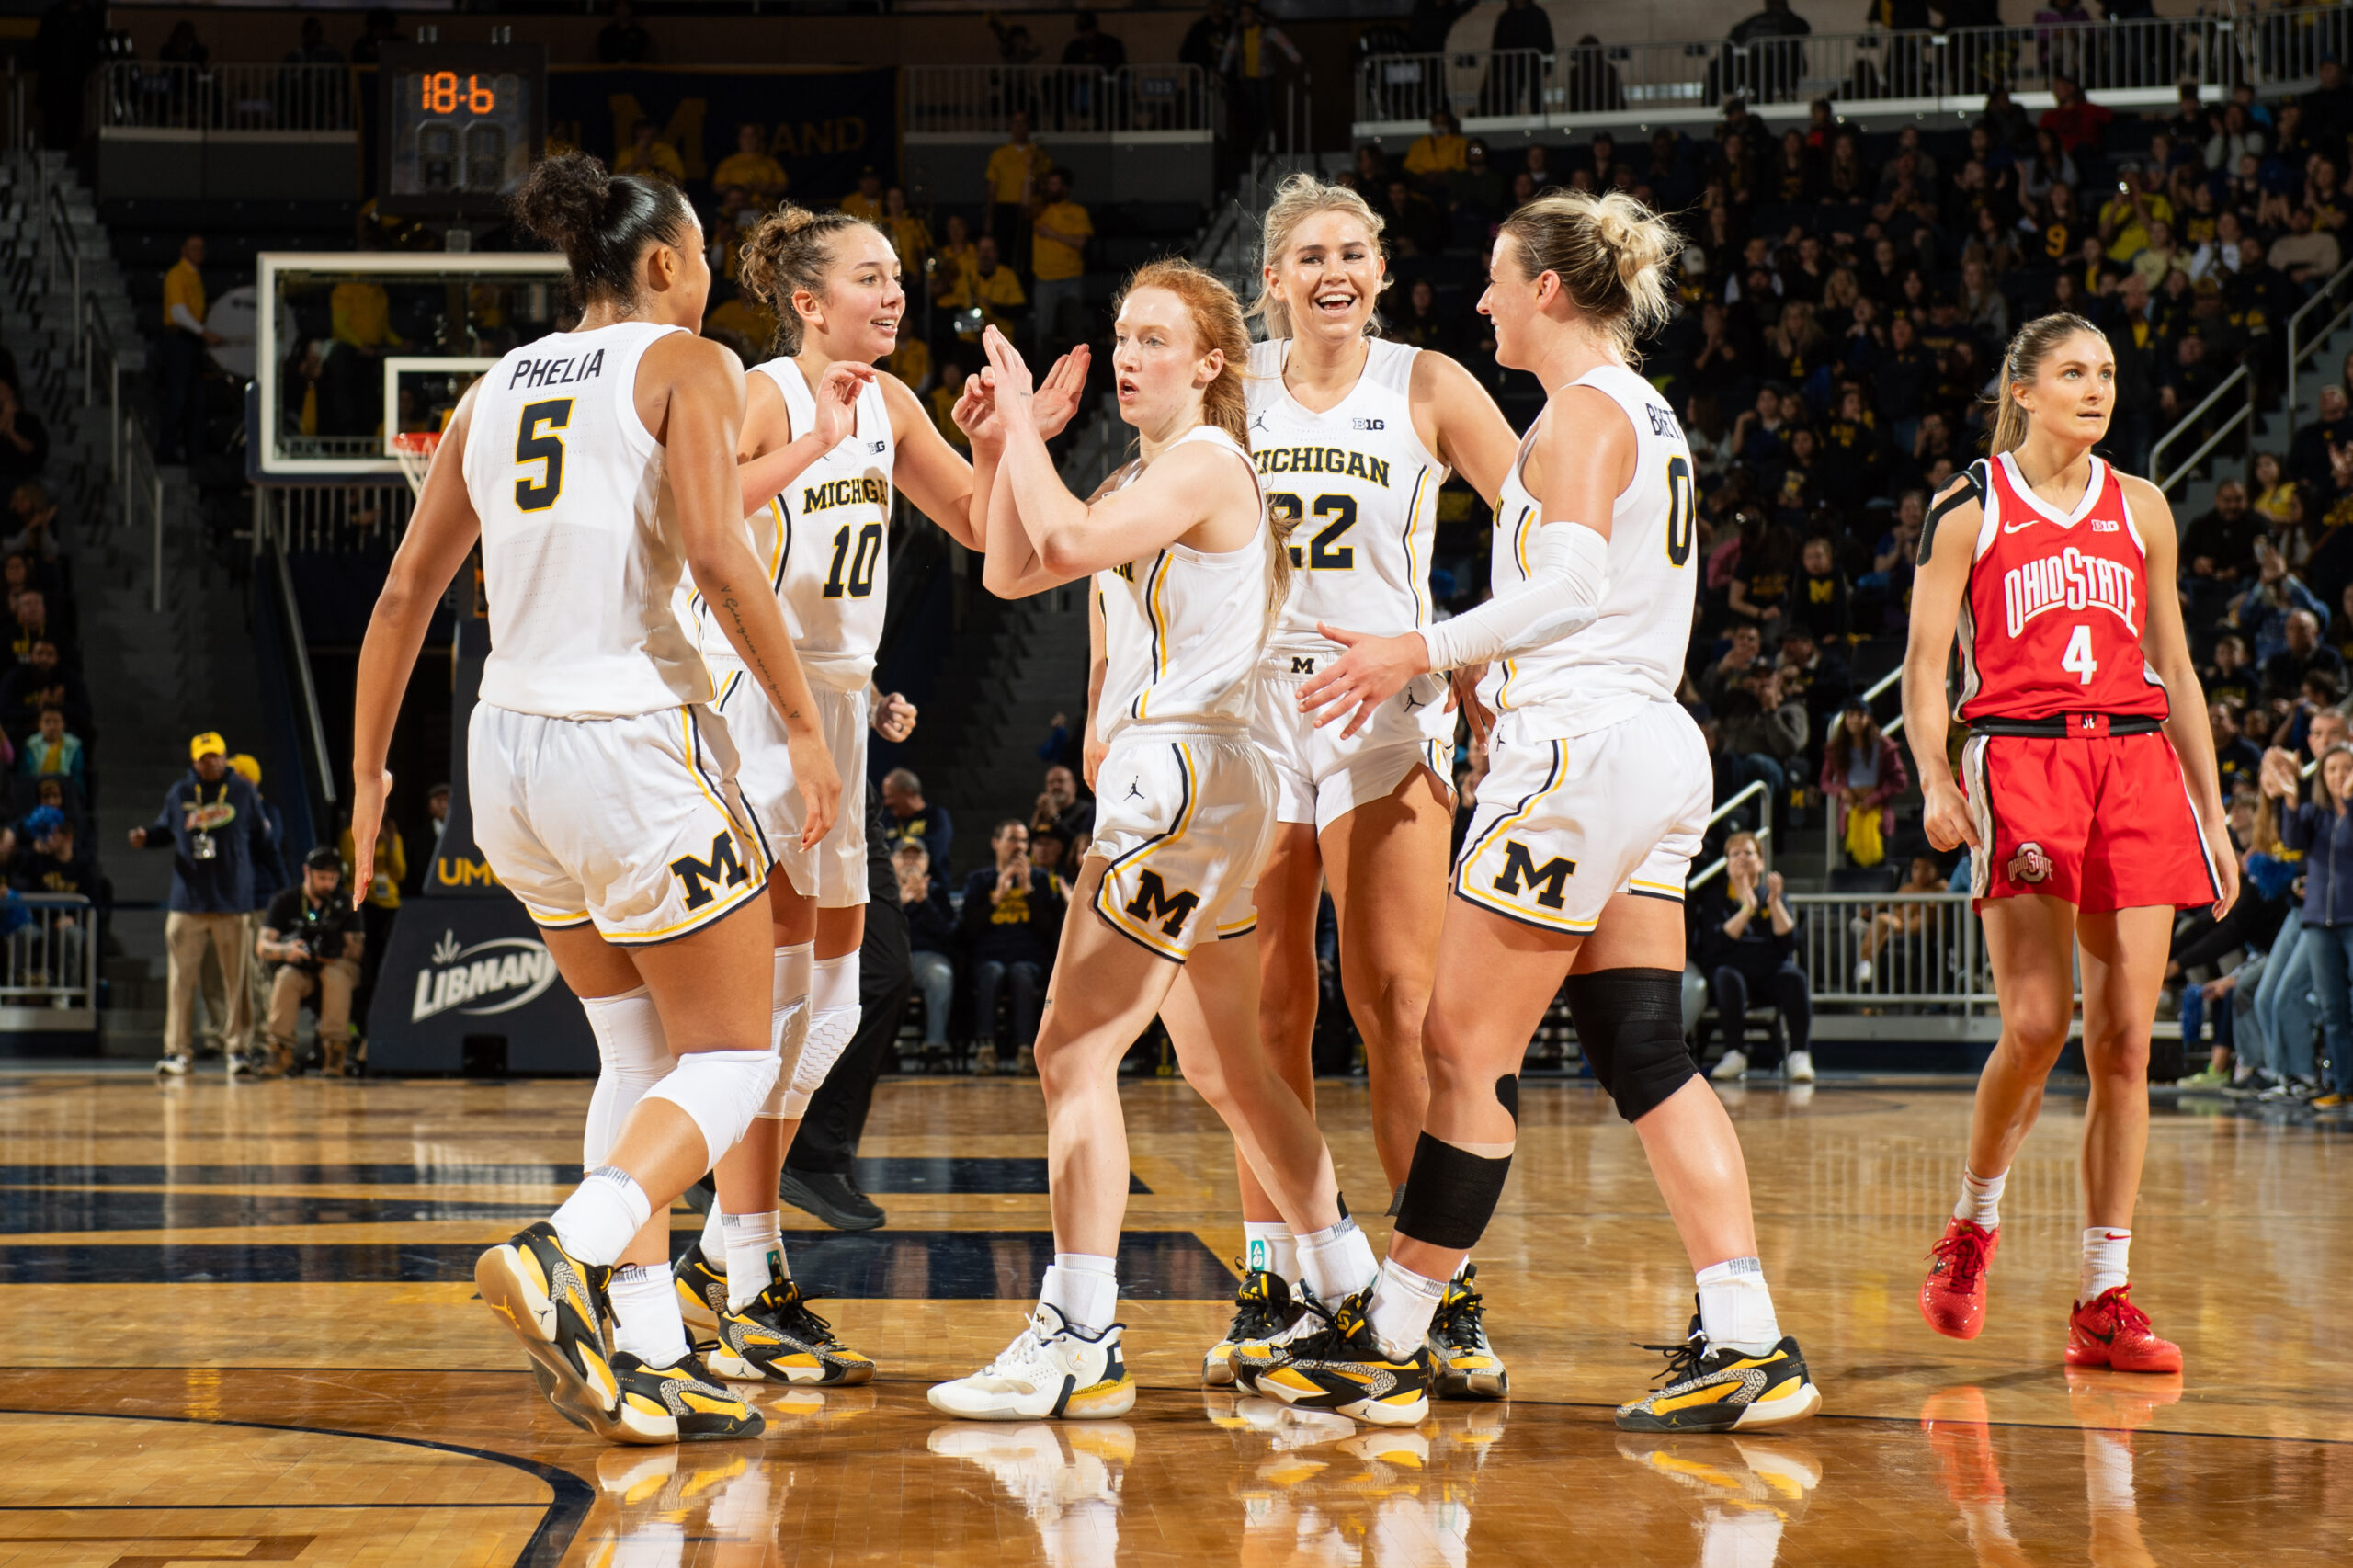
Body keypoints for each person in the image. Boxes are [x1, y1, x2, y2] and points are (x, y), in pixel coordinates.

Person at [1292, 189, 1821, 1433]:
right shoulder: (1647, 411)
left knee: (1459, 1051)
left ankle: (1399, 1334)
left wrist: (1417, 647)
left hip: (1578, 752)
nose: (1478, 300)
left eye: (1493, 277)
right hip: (1655, 748)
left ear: (1544, 289)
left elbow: (1576, 580)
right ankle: (1746, 1331)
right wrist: (1484, 660)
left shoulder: (1580, 412)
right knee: (1644, 1048)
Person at [350, 151, 845, 1445]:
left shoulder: (495, 384)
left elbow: (405, 593)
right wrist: (802, 723)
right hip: (626, 740)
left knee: (638, 1050)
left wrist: (365, 775)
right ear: (667, 264)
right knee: (739, 1052)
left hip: (501, 753)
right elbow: (718, 555)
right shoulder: (690, 364)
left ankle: (648, 1345)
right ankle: (567, 1249)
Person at [932, 267, 1394, 1424]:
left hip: (1186, 778)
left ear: (1209, 365)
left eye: (1153, 339)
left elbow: (1070, 535)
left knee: (1069, 1051)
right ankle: (1359, 1299)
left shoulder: (1205, 463)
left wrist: (1028, 439)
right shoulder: (1145, 471)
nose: (1127, 355)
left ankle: (1081, 1329)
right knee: (1229, 1066)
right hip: (1205, 789)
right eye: (1119, 334)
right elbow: (1010, 563)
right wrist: (1010, 448)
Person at [672, 200, 1088, 1388]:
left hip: (837, 709)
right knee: (775, 1004)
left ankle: (724, 1249)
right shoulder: (762, 395)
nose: (896, 293)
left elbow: (980, 533)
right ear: (809, 303)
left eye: (900, 274)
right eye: (870, 277)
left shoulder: (895, 403)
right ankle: (745, 1271)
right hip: (757, 707)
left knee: (839, 1003)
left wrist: (1016, 440)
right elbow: (692, 523)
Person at [1221, 174, 1527, 1399]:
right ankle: (1283, 1270)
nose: (1332, 270)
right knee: (1267, 1009)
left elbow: (1538, 521)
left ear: (1382, 272)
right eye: (1309, 254)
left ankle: (1432, 1282)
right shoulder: (1228, 382)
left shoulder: (1429, 382)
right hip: (1251, 706)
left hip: (1384, 701)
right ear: (1275, 278)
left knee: (1397, 1001)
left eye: (1353, 251)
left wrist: (1474, 659)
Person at [1904, 312, 2234, 1376]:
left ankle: (2102, 1296)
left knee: (2126, 1041)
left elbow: (2174, 669)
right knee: (2039, 1023)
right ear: (2024, 387)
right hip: (2022, 758)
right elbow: (1921, 668)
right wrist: (1931, 775)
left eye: (2106, 374)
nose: (2096, 390)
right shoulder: (1967, 506)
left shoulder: (2141, 506)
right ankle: (1973, 1221)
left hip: (2135, 763)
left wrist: (2212, 810)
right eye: (2073, 373)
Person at [132, 732, 274, 1076]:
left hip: (232, 903)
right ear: (194, 762)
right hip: (188, 903)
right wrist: (146, 838)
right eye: (204, 757)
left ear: (226, 758)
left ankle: (238, 1049)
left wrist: (273, 886)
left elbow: (262, 840)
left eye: (217, 756)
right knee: (180, 982)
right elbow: (165, 830)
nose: (211, 762)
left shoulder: (242, 792)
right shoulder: (181, 793)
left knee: (237, 982)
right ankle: (177, 1051)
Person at [2272, 744, 2353, 1107]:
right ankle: (2342, 1083)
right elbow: (2293, 841)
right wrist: (2289, 800)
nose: (2339, 776)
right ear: (2321, 775)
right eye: (2332, 769)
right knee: (2331, 1008)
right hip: (2319, 920)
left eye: (2346, 769)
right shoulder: (2313, 813)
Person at [1695, 832, 1812, 1083]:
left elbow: (1788, 945)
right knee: (1727, 977)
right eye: (1735, 854)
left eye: (1749, 853)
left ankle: (1799, 1056)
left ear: (1760, 862)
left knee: (1795, 978)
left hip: (1768, 972)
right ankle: (1734, 1053)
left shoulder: (1773, 895)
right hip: (1731, 974)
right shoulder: (1715, 899)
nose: (1742, 858)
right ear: (1727, 864)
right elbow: (1715, 945)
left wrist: (1776, 902)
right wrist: (1747, 909)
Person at [958, 819, 1063, 1074]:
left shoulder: (1040, 879)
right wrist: (996, 897)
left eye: (1024, 840)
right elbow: (968, 929)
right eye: (1012, 839)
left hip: (1028, 957)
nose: (1019, 846)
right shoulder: (979, 880)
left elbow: (1049, 930)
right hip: (989, 956)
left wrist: (1028, 891)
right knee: (992, 972)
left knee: (1021, 973)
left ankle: (1026, 1049)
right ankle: (985, 1049)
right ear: (996, 843)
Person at [256, 846, 364, 1078]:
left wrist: (334, 949)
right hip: (301, 968)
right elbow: (263, 945)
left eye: (333, 878)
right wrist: (286, 950)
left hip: (336, 967)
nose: (328, 884)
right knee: (286, 976)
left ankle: (335, 1053)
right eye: (322, 877)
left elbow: (358, 951)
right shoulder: (286, 901)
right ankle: (279, 1051)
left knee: (333, 976)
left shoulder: (346, 901)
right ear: (307, 871)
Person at [1822, 698, 1908, 868]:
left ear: (1868, 718)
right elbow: (1825, 781)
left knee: (1880, 865)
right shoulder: (1837, 748)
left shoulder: (1883, 745)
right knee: (1853, 868)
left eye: (1860, 715)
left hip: (1878, 815)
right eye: (1850, 715)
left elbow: (1900, 780)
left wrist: (1875, 797)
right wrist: (1841, 791)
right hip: (1850, 814)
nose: (1854, 720)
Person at [898, 841, 957, 1062]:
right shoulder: (882, 890)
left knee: (940, 975)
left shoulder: (937, 892)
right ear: (892, 862)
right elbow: (875, 934)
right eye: (904, 857)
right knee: (875, 976)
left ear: (927, 863)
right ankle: (882, 1048)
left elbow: (949, 933)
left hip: (927, 958)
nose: (910, 862)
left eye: (917, 857)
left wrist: (924, 901)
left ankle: (935, 1046)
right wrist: (900, 904)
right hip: (890, 958)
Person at [983, 112, 1051, 276]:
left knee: (1026, 254)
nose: (1019, 127)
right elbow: (992, 187)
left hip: (1029, 210)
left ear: (1029, 127)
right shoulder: (999, 154)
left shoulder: (1038, 155)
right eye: (1015, 123)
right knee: (1004, 252)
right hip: (1005, 208)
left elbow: (1044, 186)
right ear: (1010, 127)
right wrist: (989, 216)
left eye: (1023, 123)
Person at [879, 767, 953, 877]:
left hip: (931, 888)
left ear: (908, 792)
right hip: (892, 888)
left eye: (890, 796)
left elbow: (935, 853)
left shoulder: (936, 817)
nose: (886, 803)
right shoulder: (887, 820)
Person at [710, 124, 788, 208]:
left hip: (766, 211)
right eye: (745, 135)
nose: (748, 139)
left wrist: (767, 189)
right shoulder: (727, 163)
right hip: (735, 213)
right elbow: (717, 187)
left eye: (752, 135)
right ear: (739, 139)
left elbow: (783, 185)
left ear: (758, 138)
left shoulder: (771, 163)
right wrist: (740, 190)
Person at [596, 0, 655, 64]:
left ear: (631, 9)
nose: (622, 9)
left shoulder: (640, 34)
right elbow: (603, 55)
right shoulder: (606, 33)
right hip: (611, 71)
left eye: (625, 6)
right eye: (619, 6)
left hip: (635, 71)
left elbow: (644, 56)